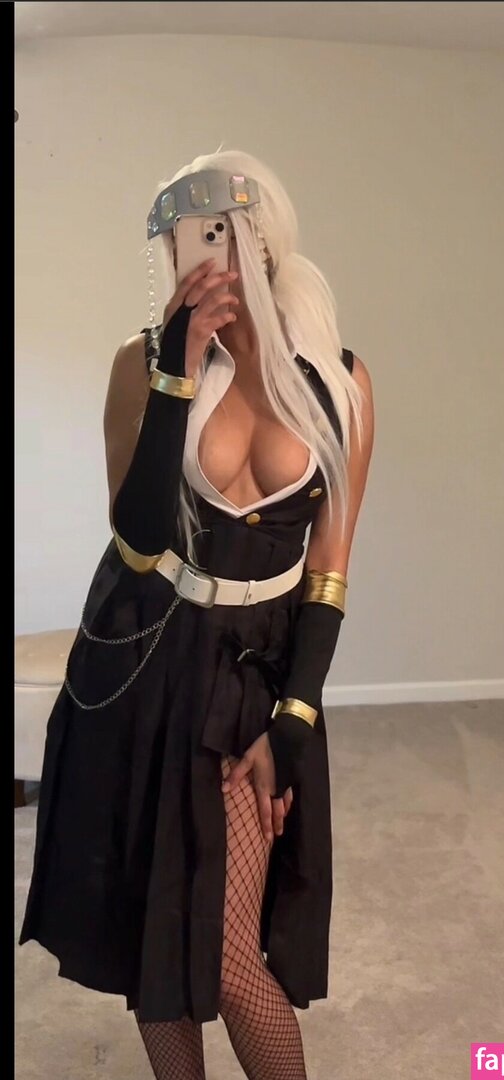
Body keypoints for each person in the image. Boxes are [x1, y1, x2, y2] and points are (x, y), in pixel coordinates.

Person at [19, 149, 374, 1080]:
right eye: (182, 237)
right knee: (156, 929)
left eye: (221, 231)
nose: (202, 254)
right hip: (146, 656)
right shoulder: (138, 364)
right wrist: (176, 372)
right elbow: (138, 539)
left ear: (266, 237)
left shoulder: (339, 379)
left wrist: (293, 720)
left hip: (258, 666)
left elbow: (328, 568)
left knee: (228, 953)